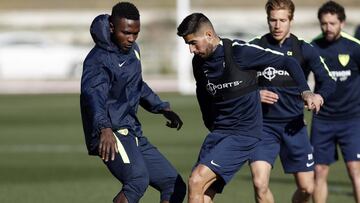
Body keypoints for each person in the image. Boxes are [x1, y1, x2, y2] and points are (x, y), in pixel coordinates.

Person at [177, 13, 322, 203]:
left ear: (209, 35)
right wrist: (211, 125)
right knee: (203, 193)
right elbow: (203, 96)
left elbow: (288, 61)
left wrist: (305, 91)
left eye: (194, 43)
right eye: (188, 44)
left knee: (196, 180)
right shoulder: (199, 63)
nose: (191, 50)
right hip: (218, 133)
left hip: (243, 134)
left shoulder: (240, 52)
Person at [80, 2, 186, 203]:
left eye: (135, 33)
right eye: (126, 32)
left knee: (173, 184)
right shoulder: (99, 59)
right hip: (111, 132)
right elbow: (93, 96)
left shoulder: (133, 51)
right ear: (112, 26)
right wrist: (104, 128)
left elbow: (136, 85)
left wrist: (162, 107)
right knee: (137, 181)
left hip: (132, 131)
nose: (131, 39)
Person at [247, 0, 336, 203]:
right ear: (267, 20)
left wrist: (319, 96)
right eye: (273, 20)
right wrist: (254, 94)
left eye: (282, 20)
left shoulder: (305, 49)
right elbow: (234, 82)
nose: (277, 25)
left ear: (291, 20)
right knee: (260, 184)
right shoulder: (254, 47)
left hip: (294, 126)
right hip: (262, 128)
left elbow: (328, 80)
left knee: (307, 188)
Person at [310, 1, 360, 203]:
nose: (327, 28)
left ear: (342, 23)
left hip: (352, 119)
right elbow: (298, 81)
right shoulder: (313, 47)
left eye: (332, 23)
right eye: (324, 24)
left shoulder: (355, 48)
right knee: (319, 171)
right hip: (323, 120)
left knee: (354, 168)